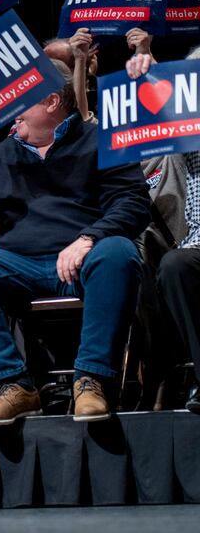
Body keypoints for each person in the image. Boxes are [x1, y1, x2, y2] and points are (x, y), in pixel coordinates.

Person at [0, 60, 151, 426]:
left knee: (118, 252)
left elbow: (134, 202)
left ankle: (91, 381)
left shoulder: (101, 139)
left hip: (82, 259)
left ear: (52, 101)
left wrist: (89, 238)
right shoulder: (5, 153)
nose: (10, 112)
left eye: (19, 101)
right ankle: (12, 384)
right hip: (18, 263)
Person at [127, 48, 200, 413]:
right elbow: (157, 116)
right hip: (195, 246)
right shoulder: (184, 142)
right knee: (173, 266)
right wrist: (150, 77)